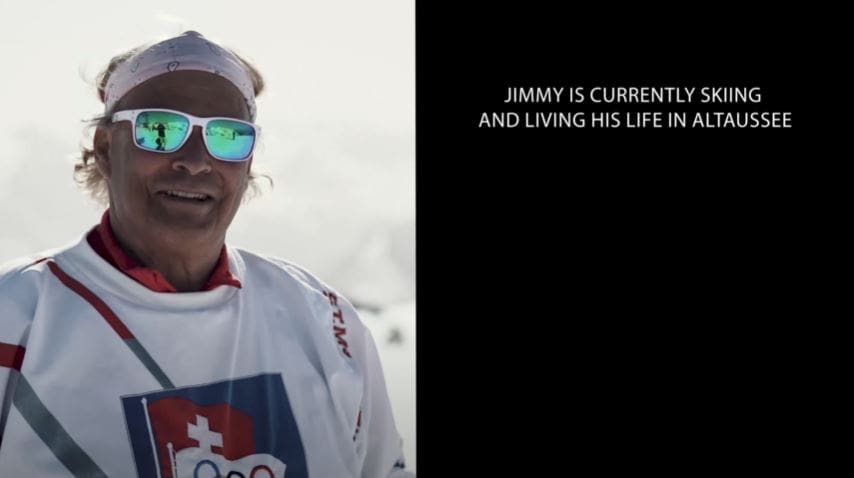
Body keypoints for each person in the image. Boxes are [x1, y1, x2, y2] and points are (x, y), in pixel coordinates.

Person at [0, 31, 413, 477]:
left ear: (247, 164)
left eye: (228, 136)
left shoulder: (323, 320)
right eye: (161, 129)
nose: (196, 160)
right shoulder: (16, 315)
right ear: (104, 148)